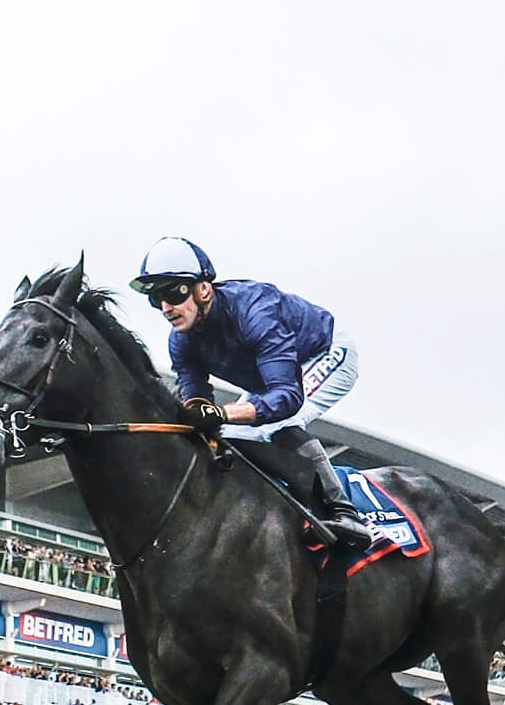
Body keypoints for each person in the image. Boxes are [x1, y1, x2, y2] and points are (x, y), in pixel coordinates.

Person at [131, 237, 371, 554]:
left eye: (174, 292)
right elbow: (198, 403)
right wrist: (195, 416)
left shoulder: (255, 310)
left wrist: (224, 413)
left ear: (204, 289)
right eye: (155, 298)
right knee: (227, 437)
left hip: (323, 353)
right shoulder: (181, 341)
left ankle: (344, 513)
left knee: (279, 424)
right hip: (269, 378)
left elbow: (287, 397)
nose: (165, 307)